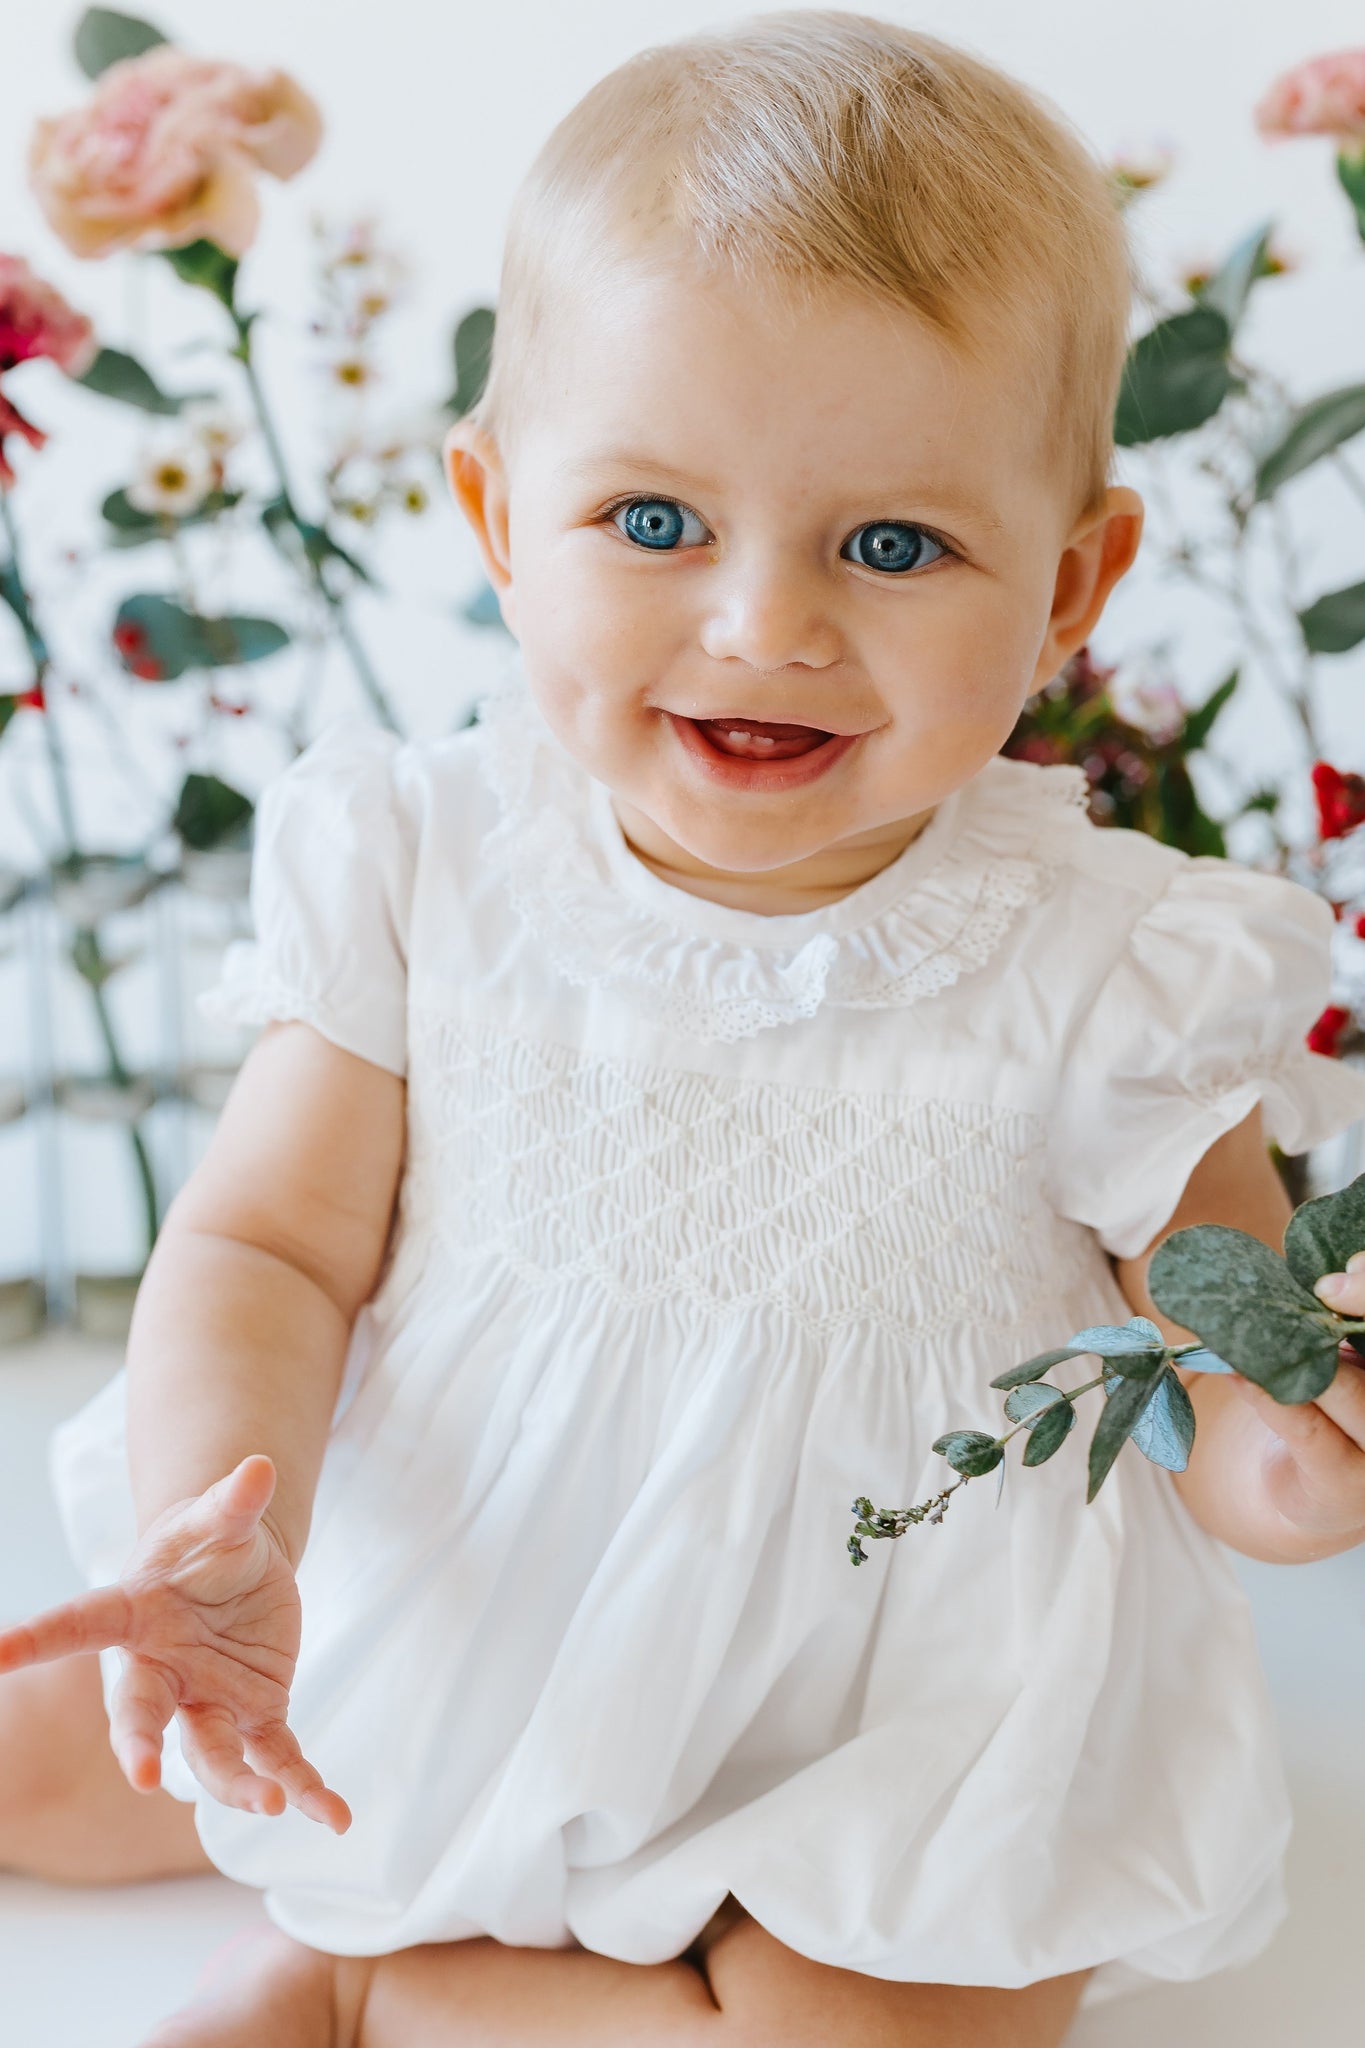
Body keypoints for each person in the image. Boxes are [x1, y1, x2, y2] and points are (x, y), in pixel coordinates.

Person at [5, 12, 1365, 2046]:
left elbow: (1217, 1337)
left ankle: (380, 1973)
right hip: (471, 1595)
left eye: (890, 545)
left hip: (886, 1711)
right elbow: (266, 1245)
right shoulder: (421, 853)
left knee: (860, 2034)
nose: (762, 623)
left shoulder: (1116, 960)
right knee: (55, 1746)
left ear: (1071, 581)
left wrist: (1291, 1450)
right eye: (651, 521)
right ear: (491, 510)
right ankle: (399, 1857)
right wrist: (236, 1522)